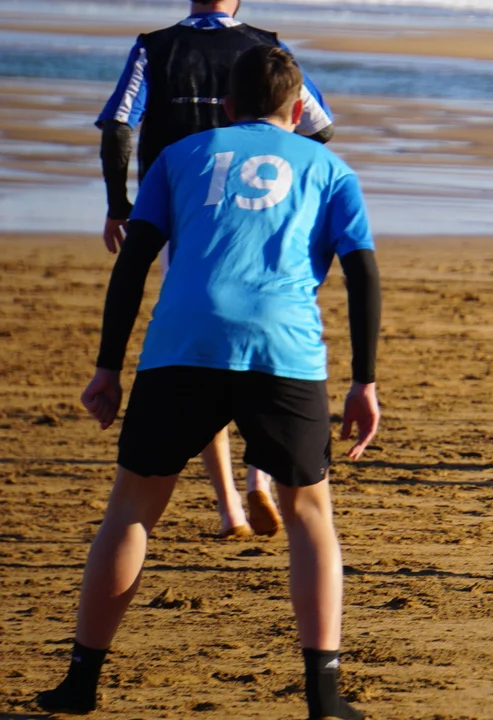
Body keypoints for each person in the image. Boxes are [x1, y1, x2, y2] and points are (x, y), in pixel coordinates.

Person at [36, 46, 379, 720]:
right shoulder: (331, 168)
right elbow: (362, 273)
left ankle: (80, 683)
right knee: (310, 515)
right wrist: (364, 382)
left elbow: (133, 263)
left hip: (182, 346)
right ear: (299, 110)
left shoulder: (179, 156)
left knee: (132, 510)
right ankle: (324, 696)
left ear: (226, 106)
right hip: (282, 351)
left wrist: (107, 366)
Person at [97, 0, 336, 538]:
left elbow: (118, 123)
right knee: (260, 347)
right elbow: (320, 127)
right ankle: (260, 478)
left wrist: (119, 204)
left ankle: (230, 506)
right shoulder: (266, 46)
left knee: (201, 347)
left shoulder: (155, 47)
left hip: (179, 214)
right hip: (264, 213)